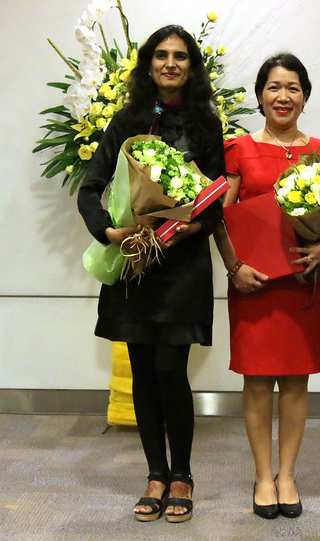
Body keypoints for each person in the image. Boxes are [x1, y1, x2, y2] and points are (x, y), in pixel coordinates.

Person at [77, 25, 225, 523]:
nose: (170, 63)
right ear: (148, 64)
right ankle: (155, 473)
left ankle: (182, 472)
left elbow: (215, 204)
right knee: (143, 372)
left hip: (181, 267)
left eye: (180, 56)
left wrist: (185, 229)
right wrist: (110, 232)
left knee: (169, 369)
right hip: (134, 266)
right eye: (161, 55)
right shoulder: (126, 121)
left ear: (191, 66)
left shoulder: (206, 125)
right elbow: (89, 188)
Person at [214, 53, 320, 519]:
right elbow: (221, 216)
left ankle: (288, 475)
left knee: (296, 381)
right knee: (257, 382)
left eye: (293, 87)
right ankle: (262, 476)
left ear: (305, 96)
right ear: (260, 95)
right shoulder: (237, 148)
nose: (283, 96)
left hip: (302, 282)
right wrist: (233, 267)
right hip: (254, 283)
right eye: (274, 87)